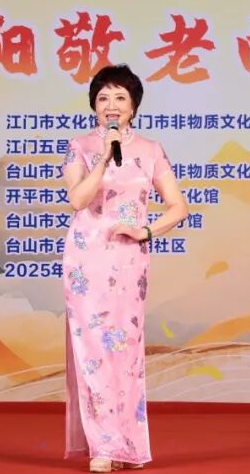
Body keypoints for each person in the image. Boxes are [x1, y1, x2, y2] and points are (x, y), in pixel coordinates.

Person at [60, 64, 189, 472]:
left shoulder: (151, 150)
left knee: (126, 351)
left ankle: (127, 445)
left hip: (129, 260)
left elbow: (178, 207)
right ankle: (103, 446)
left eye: (120, 98)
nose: (111, 105)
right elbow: (78, 200)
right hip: (87, 262)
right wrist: (103, 157)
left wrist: (144, 231)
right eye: (103, 98)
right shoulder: (81, 146)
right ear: (94, 107)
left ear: (133, 107)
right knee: (94, 350)